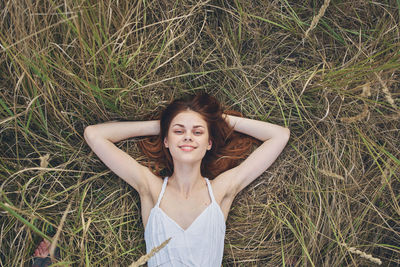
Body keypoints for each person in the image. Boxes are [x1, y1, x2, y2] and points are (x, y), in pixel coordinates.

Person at [79, 93, 288, 266]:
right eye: (179, 131)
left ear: (209, 143)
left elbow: (279, 136)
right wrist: (161, 125)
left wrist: (218, 121)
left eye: (197, 132)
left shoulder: (220, 191)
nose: (188, 136)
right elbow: (94, 135)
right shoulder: (150, 189)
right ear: (166, 141)